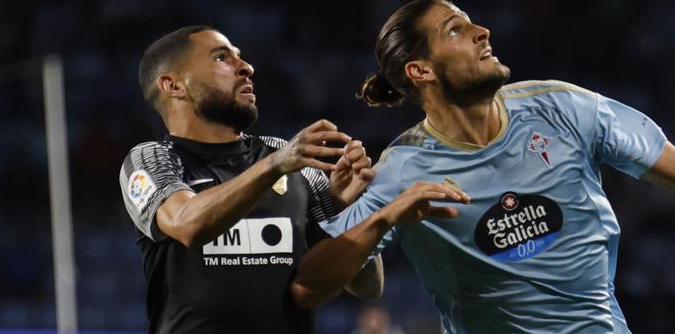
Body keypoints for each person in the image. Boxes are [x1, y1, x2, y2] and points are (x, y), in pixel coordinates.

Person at [309, 0, 675, 333]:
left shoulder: (562, 107)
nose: (483, 31)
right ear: (420, 70)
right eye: (457, 30)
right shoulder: (401, 169)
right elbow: (357, 283)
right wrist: (375, 215)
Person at [119, 25, 469, 334]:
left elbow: (366, 285)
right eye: (222, 58)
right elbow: (188, 224)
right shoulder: (153, 159)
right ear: (173, 85)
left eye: (240, 57)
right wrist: (275, 166)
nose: (246, 67)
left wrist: (351, 209)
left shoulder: (287, 159)